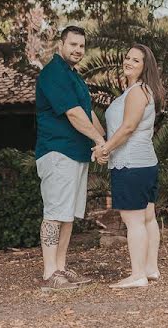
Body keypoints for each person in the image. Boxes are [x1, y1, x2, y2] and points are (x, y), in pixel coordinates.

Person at [34, 25, 107, 291]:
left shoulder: (74, 76)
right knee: (54, 214)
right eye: (73, 44)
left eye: (81, 46)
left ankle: (61, 268)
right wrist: (99, 142)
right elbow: (74, 115)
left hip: (76, 154)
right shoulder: (53, 72)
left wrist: (107, 143)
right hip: (57, 153)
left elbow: (88, 115)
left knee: (67, 216)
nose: (77, 50)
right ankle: (49, 272)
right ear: (61, 45)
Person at [93, 43, 165, 289]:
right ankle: (150, 268)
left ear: (145, 67)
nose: (129, 62)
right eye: (127, 58)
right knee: (146, 217)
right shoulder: (142, 90)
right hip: (145, 164)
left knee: (133, 220)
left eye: (136, 60)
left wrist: (105, 149)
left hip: (131, 164)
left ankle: (137, 275)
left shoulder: (136, 92)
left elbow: (127, 128)